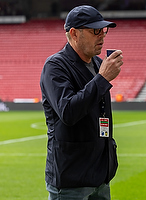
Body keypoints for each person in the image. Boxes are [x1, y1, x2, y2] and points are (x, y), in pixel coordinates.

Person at [40, 5, 123, 200]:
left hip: (100, 176)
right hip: (72, 179)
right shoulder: (55, 66)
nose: (102, 36)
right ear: (74, 34)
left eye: (104, 30)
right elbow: (68, 111)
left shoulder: (96, 63)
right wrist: (102, 79)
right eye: (95, 31)